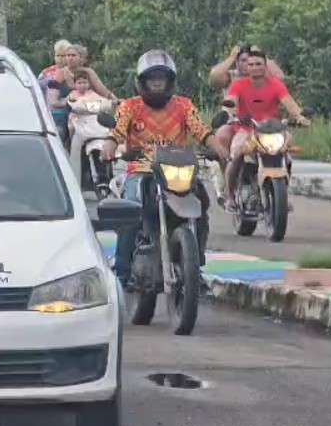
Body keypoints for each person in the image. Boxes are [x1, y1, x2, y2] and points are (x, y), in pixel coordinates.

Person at [101, 51, 228, 290]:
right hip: (142, 170)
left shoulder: (183, 105)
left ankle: (195, 268)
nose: (157, 83)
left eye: (162, 78)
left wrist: (217, 147)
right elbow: (116, 131)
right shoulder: (130, 107)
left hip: (177, 169)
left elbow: (200, 129)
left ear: (170, 81)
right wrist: (109, 145)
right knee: (130, 210)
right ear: (142, 81)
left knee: (200, 202)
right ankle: (122, 273)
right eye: (152, 78)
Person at [220, 48, 309, 208]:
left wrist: (299, 117)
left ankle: (282, 195)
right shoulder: (239, 85)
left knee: (286, 153)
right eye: (251, 64)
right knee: (237, 153)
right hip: (245, 129)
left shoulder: (276, 84)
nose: (255, 67)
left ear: (265, 66)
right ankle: (229, 195)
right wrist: (229, 113)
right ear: (246, 67)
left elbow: (290, 104)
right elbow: (230, 102)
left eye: (259, 64)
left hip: (272, 130)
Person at [207, 43, 286, 89]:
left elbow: (281, 79)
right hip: (234, 116)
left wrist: (261, 55)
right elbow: (214, 76)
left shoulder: (260, 75)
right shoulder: (230, 77)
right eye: (243, 60)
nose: (246, 64)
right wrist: (231, 57)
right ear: (237, 62)